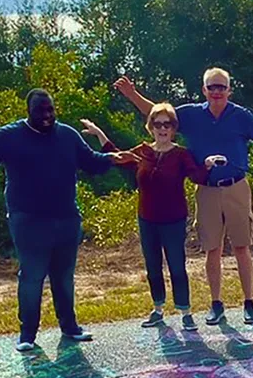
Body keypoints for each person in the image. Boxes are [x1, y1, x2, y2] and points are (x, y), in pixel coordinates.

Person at [0, 89, 137, 352]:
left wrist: (113, 158)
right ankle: (27, 334)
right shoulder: (12, 135)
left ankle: (70, 328)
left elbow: (91, 162)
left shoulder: (67, 135)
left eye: (51, 109)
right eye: (41, 110)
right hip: (28, 221)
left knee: (63, 277)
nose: (47, 115)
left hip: (66, 218)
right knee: (32, 276)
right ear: (29, 111)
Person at [114, 68, 253, 326]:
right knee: (212, 249)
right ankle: (216, 304)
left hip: (237, 186)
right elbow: (159, 114)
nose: (217, 91)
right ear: (204, 89)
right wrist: (132, 94)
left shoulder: (241, 116)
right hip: (206, 188)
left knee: (241, 247)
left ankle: (249, 303)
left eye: (221, 87)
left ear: (229, 90)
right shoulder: (191, 114)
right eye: (212, 87)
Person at [80, 104, 222, 331]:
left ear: (174, 128)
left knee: (177, 266)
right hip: (147, 220)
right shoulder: (143, 152)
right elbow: (118, 156)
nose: (163, 129)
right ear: (151, 127)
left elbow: (198, 176)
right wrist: (98, 133)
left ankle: (185, 312)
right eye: (158, 124)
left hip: (174, 220)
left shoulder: (181, 154)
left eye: (167, 124)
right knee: (152, 267)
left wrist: (207, 165)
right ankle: (158, 309)